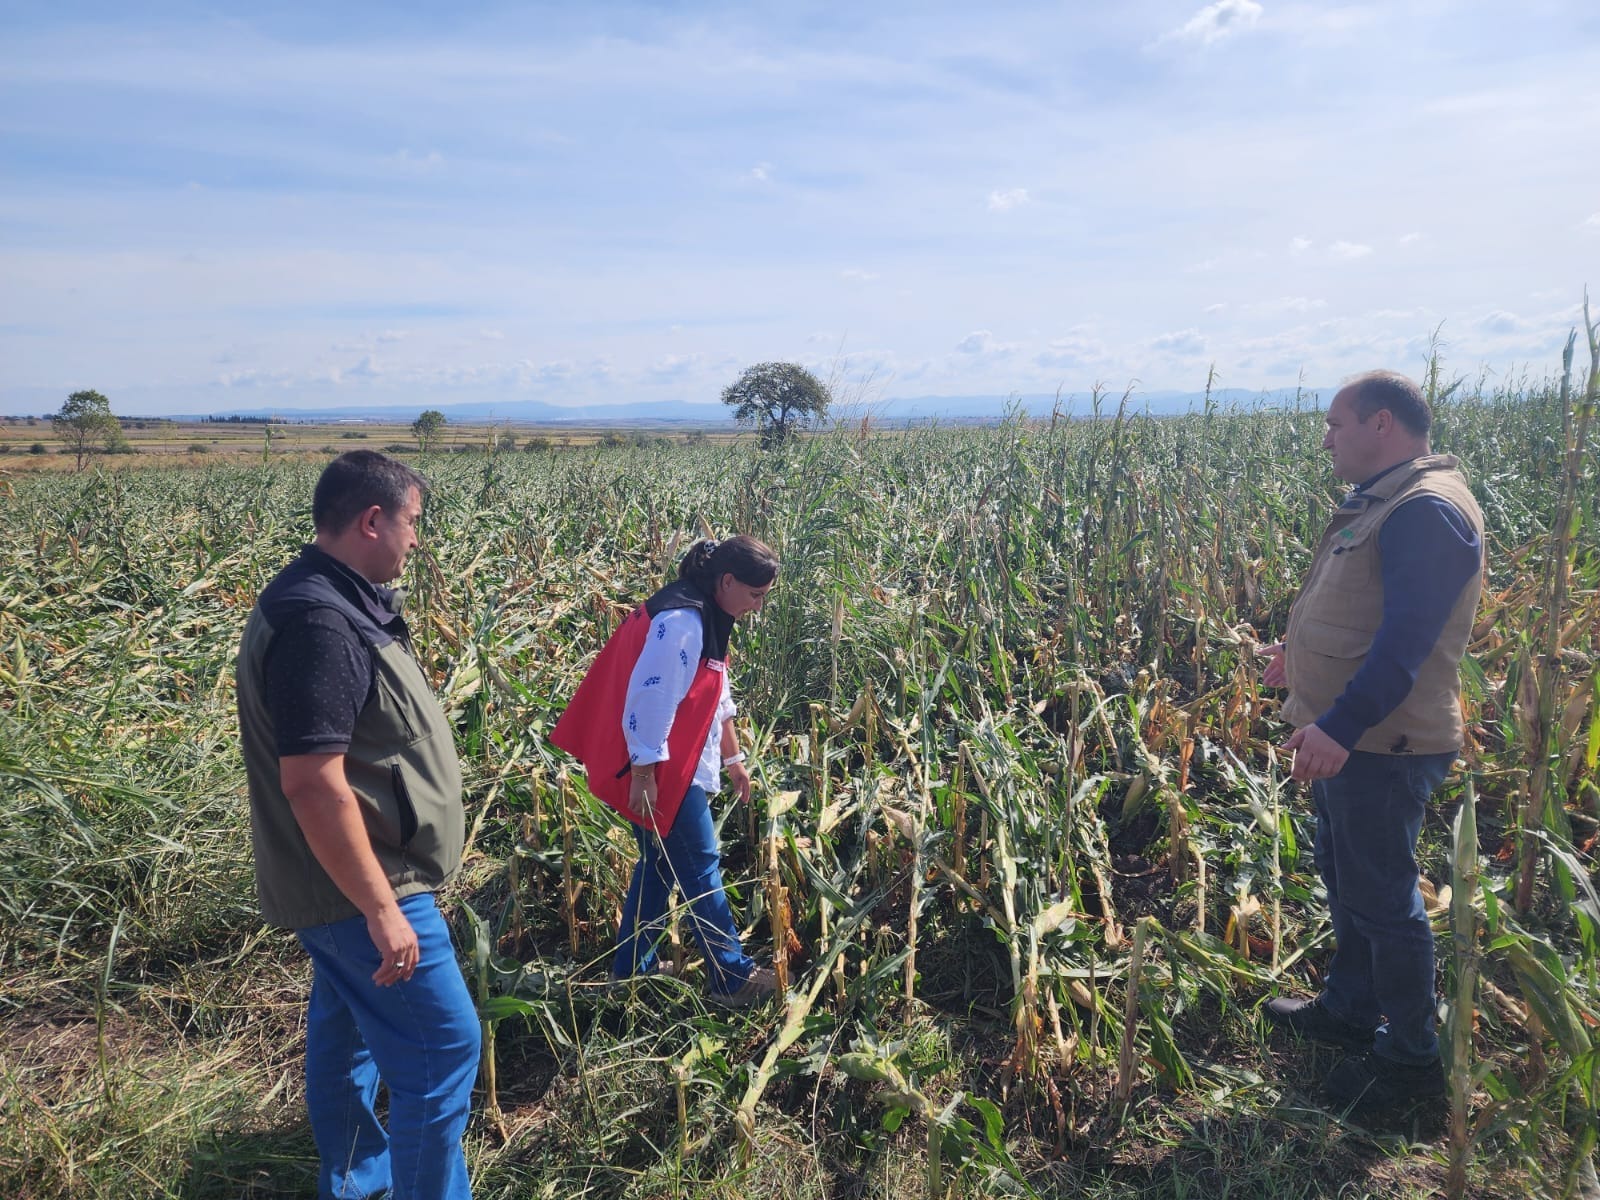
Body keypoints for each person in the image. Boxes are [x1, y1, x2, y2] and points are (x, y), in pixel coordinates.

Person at [236, 450, 479, 1200]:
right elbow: (313, 783)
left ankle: (357, 1183)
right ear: (372, 520)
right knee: (443, 1050)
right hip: (364, 885)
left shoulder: (332, 599)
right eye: (412, 524)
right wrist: (382, 909)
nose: (415, 542)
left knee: (347, 1040)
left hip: (343, 879)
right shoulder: (320, 622)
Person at [1259, 370, 1483, 1113]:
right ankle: (1350, 1008)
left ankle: (1412, 1063)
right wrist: (1298, 657)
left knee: (1384, 899)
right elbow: (1363, 611)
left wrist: (1343, 728)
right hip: (1351, 739)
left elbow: (1407, 642)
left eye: (1335, 423)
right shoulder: (1390, 501)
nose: (1326, 438)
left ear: (1381, 423)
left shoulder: (1425, 510)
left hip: (1380, 745)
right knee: (1349, 879)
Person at [551, 536, 781, 1008]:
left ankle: (631, 970)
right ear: (727, 580)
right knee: (701, 868)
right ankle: (731, 979)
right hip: (664, 771)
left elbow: (715, 689)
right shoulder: (683, 622)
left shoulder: (707, 613)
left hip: (671, 761)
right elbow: (651, 699)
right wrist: (643, 777)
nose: (758, 606)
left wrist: (734, 759)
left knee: (657, 864)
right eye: (755, 595)